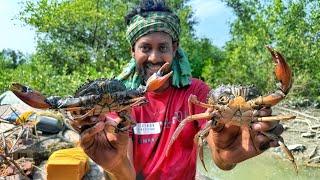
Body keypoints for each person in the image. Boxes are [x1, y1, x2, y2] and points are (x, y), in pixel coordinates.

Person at [71, 0, 284, 179]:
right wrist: (116, 165)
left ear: (175, 48)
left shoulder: (196, 92)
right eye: (145, 48)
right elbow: (125, 173)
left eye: (162, 47)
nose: (154, 57)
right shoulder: (119, 99)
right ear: (132, 51)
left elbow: (220, 156)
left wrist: (227, 155)